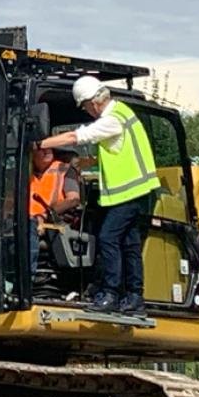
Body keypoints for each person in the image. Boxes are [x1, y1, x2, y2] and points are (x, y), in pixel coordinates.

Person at [39, 75, 161, 316]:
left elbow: (75, 137)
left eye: (84, 107)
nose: (87, 111)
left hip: (128, 194)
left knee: (107, 239)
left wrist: (38, 143)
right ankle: (134, 297)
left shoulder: (111, 120)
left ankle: (111, 294)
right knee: (129, 244)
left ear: (93, 102)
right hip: (138, 193)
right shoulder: (124, 113)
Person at [27, 144, 83, 294]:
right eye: (41, 148)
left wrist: (44, 215)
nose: (46, 151)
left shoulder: (64, 170)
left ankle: (27, 280)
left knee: (28, 230)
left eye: (49, 147)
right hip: (26, 221)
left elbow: (73, 199)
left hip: (56, 222)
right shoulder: (23, 174)